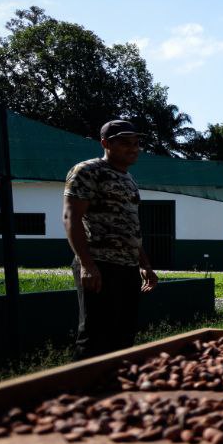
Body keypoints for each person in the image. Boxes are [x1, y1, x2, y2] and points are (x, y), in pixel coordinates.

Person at [63, 119, 158, 359]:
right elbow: (71, 218)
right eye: (125, 143)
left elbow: (130, 227)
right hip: (99, 265)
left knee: (124, 335)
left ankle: (116, 389)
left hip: (127, 266)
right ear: (105, 143)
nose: (133, 148)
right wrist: (87, 264)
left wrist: (144, 264)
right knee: (95, 335)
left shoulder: (129, 179)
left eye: (136, 143)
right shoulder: (87, 171)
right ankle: (80, 390)